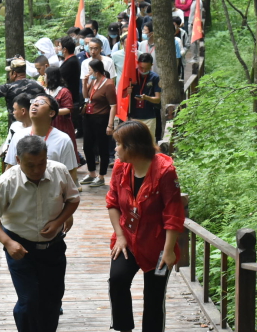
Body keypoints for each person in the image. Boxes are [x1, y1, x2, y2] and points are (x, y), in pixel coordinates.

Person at [0, 135, 80, 332]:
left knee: (52, 299)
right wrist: (8, 243)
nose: (37, 170)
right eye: (30, 165)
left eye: (41, 163)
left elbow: (73, 199)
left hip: (53, 247)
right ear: (18, 160)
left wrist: (58, 221)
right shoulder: (7, 182)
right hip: (20, 247)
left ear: (46, 157)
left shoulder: (58, 171)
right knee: (28, 301)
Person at [106, 121, 185, 332]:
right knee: (117, 280)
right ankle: (124, 328)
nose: (116, 149)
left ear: (133, 146)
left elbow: (173, 214)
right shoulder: (121, 168)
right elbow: (112, 203)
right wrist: (120, 236)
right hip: (128, 239)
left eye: (119, 144)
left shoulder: (165, 172)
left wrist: (168, 252)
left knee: (154, 296)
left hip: (158, 245)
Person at [80, 59, 117, 188]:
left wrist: (110, 125)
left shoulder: (108, 84)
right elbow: (86, 96)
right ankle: (91, 173)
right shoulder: (93, 81)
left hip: (102, 119)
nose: (88, 72)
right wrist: (84, 83)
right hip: (89, 118)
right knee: (87, 146)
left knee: (102, 148)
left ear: (96, 71)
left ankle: (101, 176)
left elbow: (113, 106)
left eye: (90, 70)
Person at [44, 67, 80, 164]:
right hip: (48, 123)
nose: (44, 77)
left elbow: (69, 109)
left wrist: (52, 112)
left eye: (45, 75)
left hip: (61, 124)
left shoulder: (64, 91)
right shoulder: (45, 91)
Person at [126, 53, 161, 141]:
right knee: (134, 143)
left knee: (149, 143)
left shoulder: (155, 77)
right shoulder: (131, 75)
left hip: (149, 116)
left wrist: (146, 98)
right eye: (141, 67)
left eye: (147, 68)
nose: (144, 70)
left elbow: (157, 100)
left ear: (151, 66)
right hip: (133, 116)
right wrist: (127, 92)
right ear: (138, 63)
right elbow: (120, 97)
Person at [58, 36, 82, 136]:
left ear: (65, 49)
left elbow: (60, 78)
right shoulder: (70, 60)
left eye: (59, 47)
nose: (58, 49)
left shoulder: (71, 62)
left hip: (70, 98)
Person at [187, 0, 205, 65]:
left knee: (194, 41)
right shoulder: (194, 1)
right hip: (191, 23)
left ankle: (195, 57)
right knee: (193, 41)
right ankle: (194, 56)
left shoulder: (199, 2)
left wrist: (194, 23)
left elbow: (198, 14)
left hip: (193, 24)